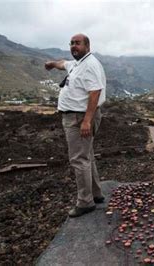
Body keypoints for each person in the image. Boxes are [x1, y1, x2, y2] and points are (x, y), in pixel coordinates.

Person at [44, 33, 106, 218]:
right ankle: (95, 194)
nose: (73, 46)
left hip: (79, 118)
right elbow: (64, 63)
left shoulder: (90, 65)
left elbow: (95, 92)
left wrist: (87, 120)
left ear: (87, 45)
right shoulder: (78, 63)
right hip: (76, 116)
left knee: (79, 159)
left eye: (77, 43)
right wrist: (52, 64)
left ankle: (85, 202)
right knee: (87, 156)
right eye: (71, 43)